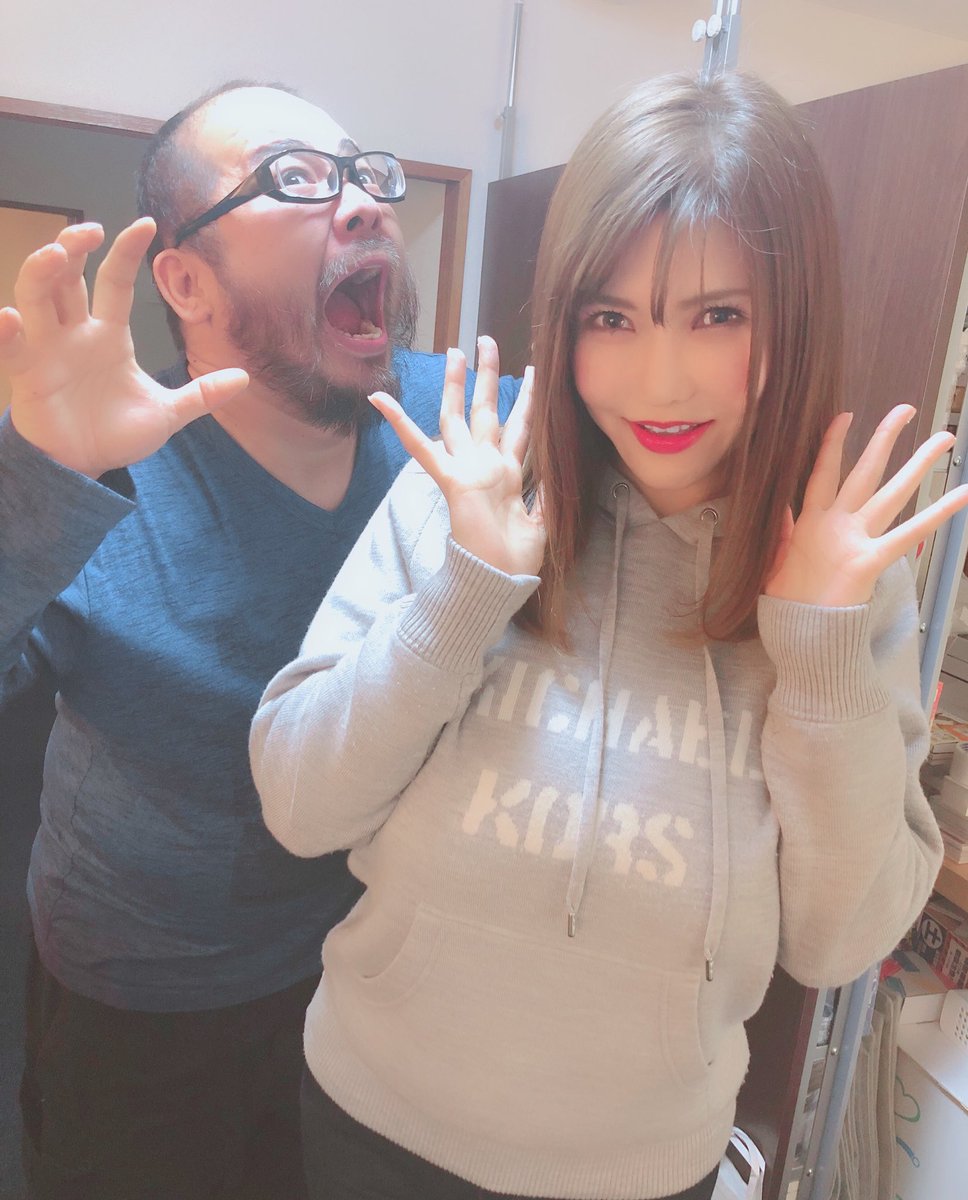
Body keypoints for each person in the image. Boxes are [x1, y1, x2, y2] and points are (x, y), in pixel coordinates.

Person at [250, 71, 964, 1200]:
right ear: (564, 320)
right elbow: (300, 807)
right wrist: (466, 590)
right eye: (611, 318)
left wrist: (819, 648)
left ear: (793, 317)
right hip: (371, 1124)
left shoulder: (840, 577)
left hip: (640, 1174)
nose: (658, 380)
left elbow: (838, 943)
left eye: (718, 315)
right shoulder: (466, 490)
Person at [0, 80, 516, 1199]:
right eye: (296, 178)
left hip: (367, 974)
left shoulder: (458, 427)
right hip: (141, 996)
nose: (364, 203)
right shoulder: (105, 465)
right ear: (186, 280)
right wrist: (33, 481)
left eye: (365, 174)